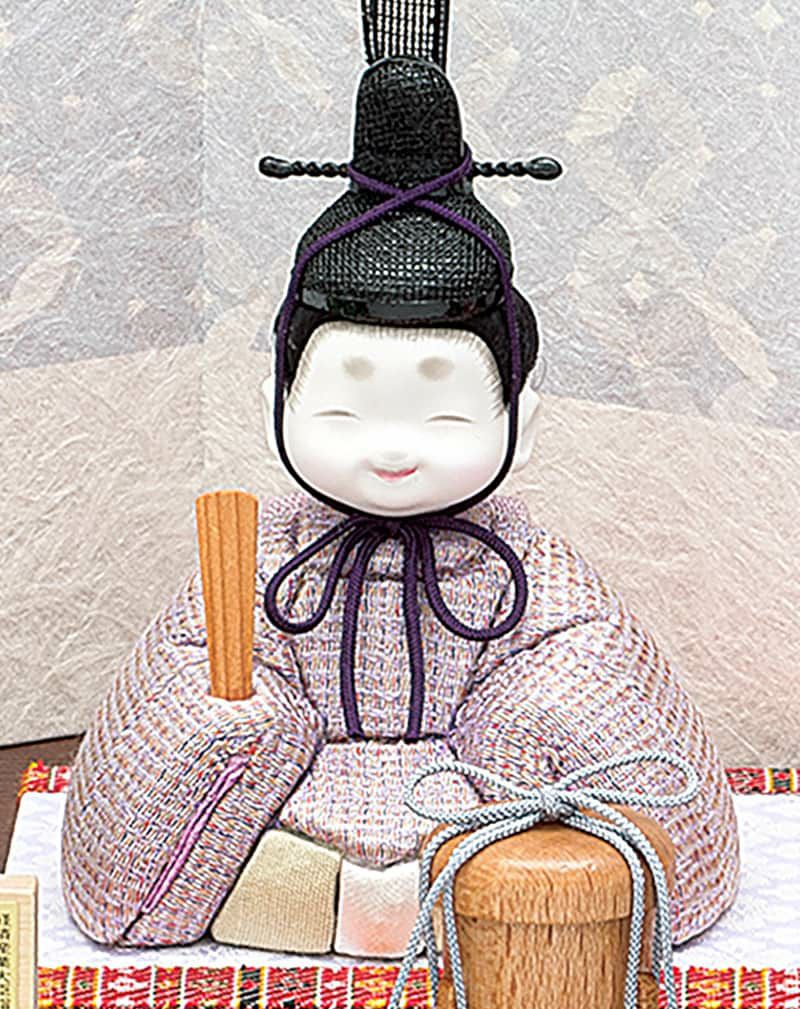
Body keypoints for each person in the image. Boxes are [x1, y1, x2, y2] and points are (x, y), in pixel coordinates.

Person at [61, 40, 740, 957]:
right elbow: (189, 662)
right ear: (279, 403)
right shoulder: (268, 557)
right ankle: (356, 897)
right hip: (281, 800)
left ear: (522, 418)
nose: (390, 449)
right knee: (206, 713)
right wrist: (231, 717)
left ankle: (423, 895)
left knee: (574, 706)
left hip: (472, 805)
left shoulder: (524, 571)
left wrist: (535, 722)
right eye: (344, 411)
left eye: (442, 416)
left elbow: (587, 656)